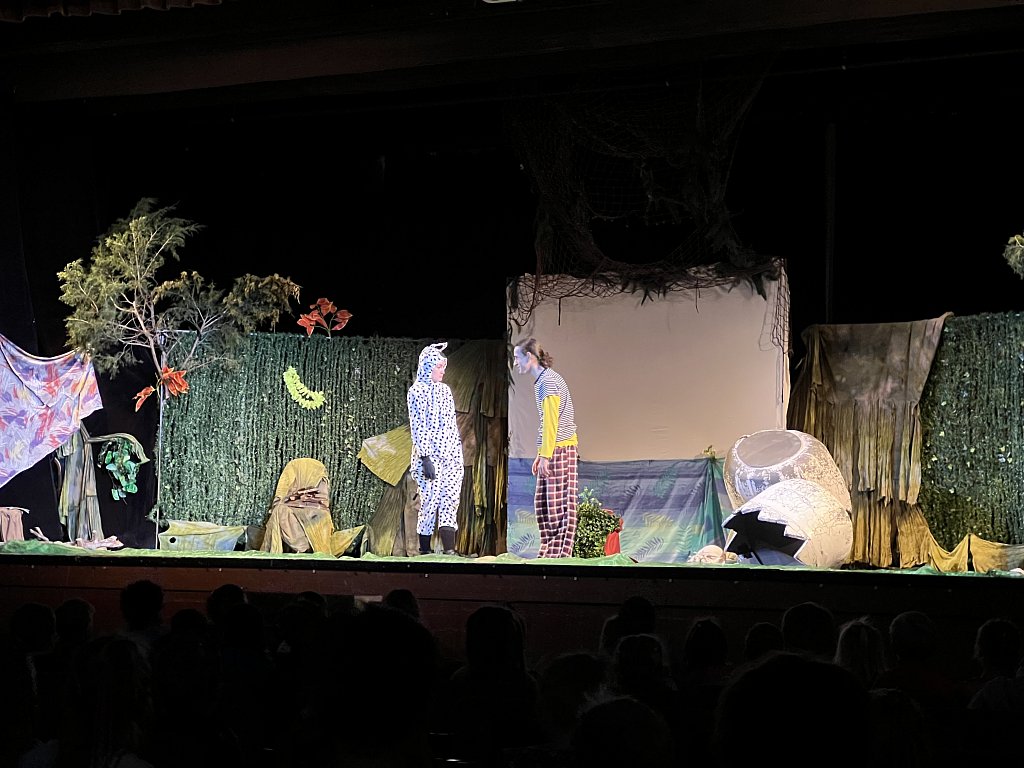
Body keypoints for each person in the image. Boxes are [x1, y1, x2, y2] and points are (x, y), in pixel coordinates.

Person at [513, 337, 579, 558]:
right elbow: (547, 422)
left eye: (517, 358)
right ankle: (549, 551)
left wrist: (546, 455)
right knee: (544, 504)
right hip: (553, 448)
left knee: (558, 506)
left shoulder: (549, 381)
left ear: (529, 357)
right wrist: (541, 453)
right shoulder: (543, 380)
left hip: (560, 448)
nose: (515, 363)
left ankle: (559, 554)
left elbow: (552, 421)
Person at [408, 341, 464, 555]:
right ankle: (425, 550)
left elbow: (451, 424)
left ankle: (449, 550)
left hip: (451, 454)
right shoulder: (417, 392)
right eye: (439, 367)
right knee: (430, 500)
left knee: (450, 498)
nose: (442, 371)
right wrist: (425, 458)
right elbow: (418, 426)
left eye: (443, 367)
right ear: (428, 367)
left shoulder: (445, 391)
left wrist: (455, 454)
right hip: (430, 457)